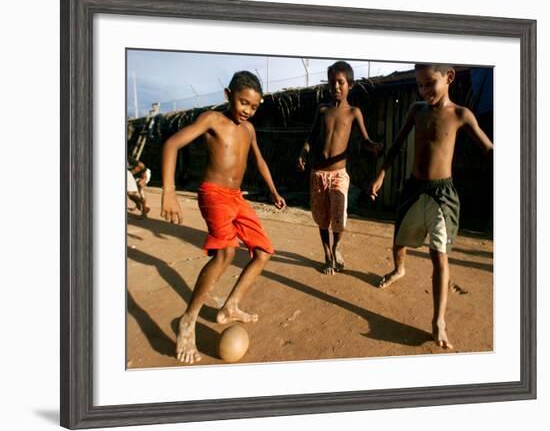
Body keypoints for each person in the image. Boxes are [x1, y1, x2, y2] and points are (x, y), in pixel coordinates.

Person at [161, 71, 286, 364]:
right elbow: (171, 145)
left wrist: (273, 190)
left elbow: (259, 160)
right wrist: (169, 190)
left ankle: (230, 305)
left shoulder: (250, 130)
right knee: (225, 252)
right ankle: (188, 319)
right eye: (243, 102)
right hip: (213, 193)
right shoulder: (212, 120)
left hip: (236, 197)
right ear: (228, 95)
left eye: (254, 107)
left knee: (264, 252)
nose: (247, 110)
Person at [369, 64, 494, 349]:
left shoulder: (461, 114)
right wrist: (381, 173)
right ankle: (399, 269)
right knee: (399, 239)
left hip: (442, 195)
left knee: (439, 255)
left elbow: (488, 148)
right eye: (420, 85)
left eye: (430, 84)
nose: (424, 91)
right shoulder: (417, 110)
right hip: (414, 188)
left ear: (449, 77)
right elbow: (397, 143)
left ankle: (438, 320)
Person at [298, 61, 382, 275]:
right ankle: (327, 255)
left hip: (339, 174)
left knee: (339, 217)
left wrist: (372, 145)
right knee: (322, 217)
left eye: (340, 82)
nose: (335, 86)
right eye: (332, 82)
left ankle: (336, 248)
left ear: (349, 85)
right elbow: (312, 135)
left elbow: (364, 139)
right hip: (318, 172)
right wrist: (303, 151)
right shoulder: (323, 109)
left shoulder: (354, 112)